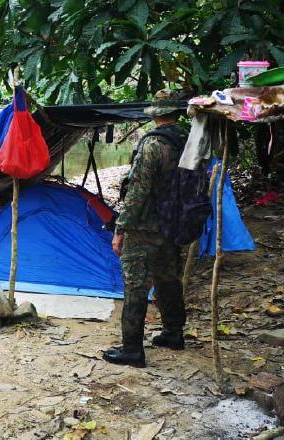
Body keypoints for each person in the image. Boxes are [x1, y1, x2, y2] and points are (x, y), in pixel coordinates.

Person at [103, 90, 190, 367]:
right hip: (173, 221)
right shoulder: (186, 140)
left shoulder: (152, 144)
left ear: (156, 113)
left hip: (145, 225)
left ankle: (131, 349)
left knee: (135, 285)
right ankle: (173, 333)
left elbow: (138, 192)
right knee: (168, 277)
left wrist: (121, 228)